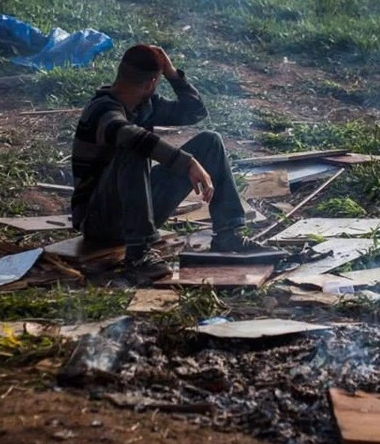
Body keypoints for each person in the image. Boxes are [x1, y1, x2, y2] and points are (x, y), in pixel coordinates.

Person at [71, 44, 263, 279]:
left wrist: (173, 75)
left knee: (210, 142)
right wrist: (188, 163)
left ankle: (228, 234)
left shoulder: (144, 105)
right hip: (99, 221)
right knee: (135, 147)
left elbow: (194, 112)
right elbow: (130, 136)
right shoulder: (101, 110)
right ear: (152, 82)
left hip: (133, 211)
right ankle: (139, 255)